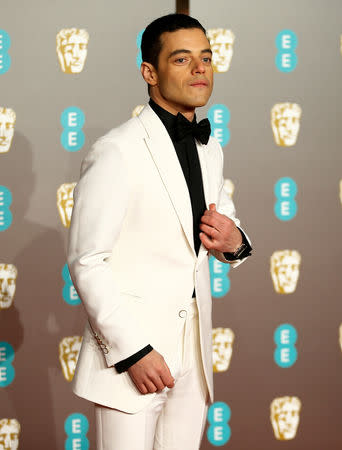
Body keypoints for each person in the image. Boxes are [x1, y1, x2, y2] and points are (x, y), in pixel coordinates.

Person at [67, 13, 252, 450]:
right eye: (183, 59)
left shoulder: (211, 147)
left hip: (194, 355)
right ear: (149, 72)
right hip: (133, 358)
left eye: (206, 58)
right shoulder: (117, 150)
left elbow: (222, 224)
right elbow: (87, 260)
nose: (200, 69)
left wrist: (236, 243)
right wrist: (133, 351)